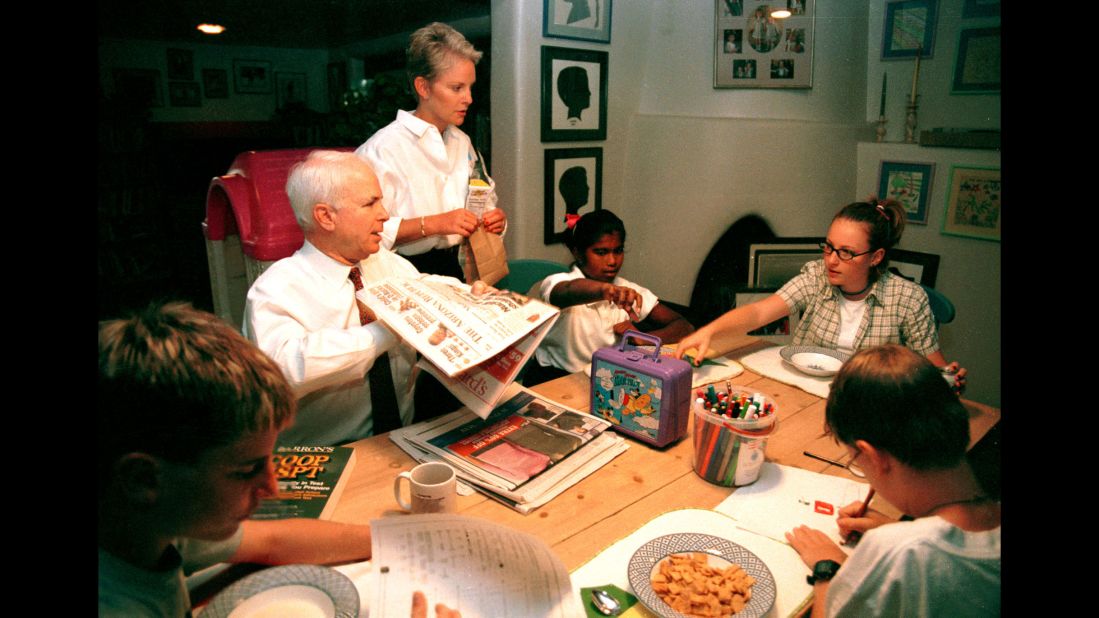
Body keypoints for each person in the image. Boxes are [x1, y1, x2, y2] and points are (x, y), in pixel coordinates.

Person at [98, 302, 460, 617]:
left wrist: (410, 539)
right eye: (247, 470)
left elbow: (274, 539)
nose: (272, 487)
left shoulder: (151, 524)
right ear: (143, 479)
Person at [244, 151, 475, 445]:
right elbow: (285, 369)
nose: (385, 214)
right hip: (326, 456)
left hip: (401, 439)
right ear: (326, 216)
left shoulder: (386, 263)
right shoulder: (276, 289)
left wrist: (467, 296)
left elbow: (424, 285)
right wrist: (387, 331)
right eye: (370, 203)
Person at [783, 345, 999, 617]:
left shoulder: (897, 554)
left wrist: (829, 569)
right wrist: (895, 530)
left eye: (855, 459)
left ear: (874, 458)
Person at [675, 199, 967, 388]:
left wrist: (950, 378)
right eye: (828, 247)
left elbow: (937, 370)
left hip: (864, 405)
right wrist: (709, 331)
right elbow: (760, 312)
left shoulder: (908, 300)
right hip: (806, 392)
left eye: (846, 252)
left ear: (876, 257)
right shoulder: (816, 277)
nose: (831, 260)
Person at [356, 22, 505, 281]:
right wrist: (435, 224)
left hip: (461, 269)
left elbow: (484, 198)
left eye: (470, 87)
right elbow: (362, 231)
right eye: (457, 88)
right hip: (404, 273)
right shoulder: (381, 150)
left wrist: (494, 219)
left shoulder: (463, 142)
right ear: (423, 87)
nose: (468, 98)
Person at [525, 210, 695, 385]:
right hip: (554, 379)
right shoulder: (558, 282)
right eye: (601, 252)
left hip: (602, 380)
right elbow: (568, 291)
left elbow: (684, 327)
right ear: (577, 252)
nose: (612, 261)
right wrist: (607, 291)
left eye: (618, 251)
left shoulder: (629, 290)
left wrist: (645, 338)